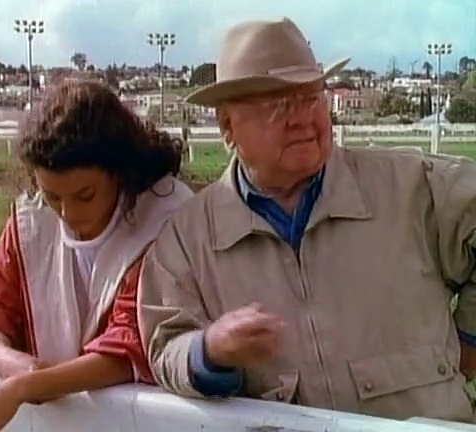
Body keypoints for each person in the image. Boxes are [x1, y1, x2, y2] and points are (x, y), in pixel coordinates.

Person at [138, 17, 476, 423]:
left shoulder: (411, 187)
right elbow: (165, 345)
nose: (301, 118)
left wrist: (469, 338)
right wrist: (209, 351)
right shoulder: (188, 238)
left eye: (311, 97)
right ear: (227, 125)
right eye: (277, 105)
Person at [0, 80, 193, 432]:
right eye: (52, 196)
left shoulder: (166, 218)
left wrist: (25, 387)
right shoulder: (31, 218)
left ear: (120, 171)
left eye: (85, 195)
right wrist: (18, 367)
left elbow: (131, 347)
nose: (67, 214)